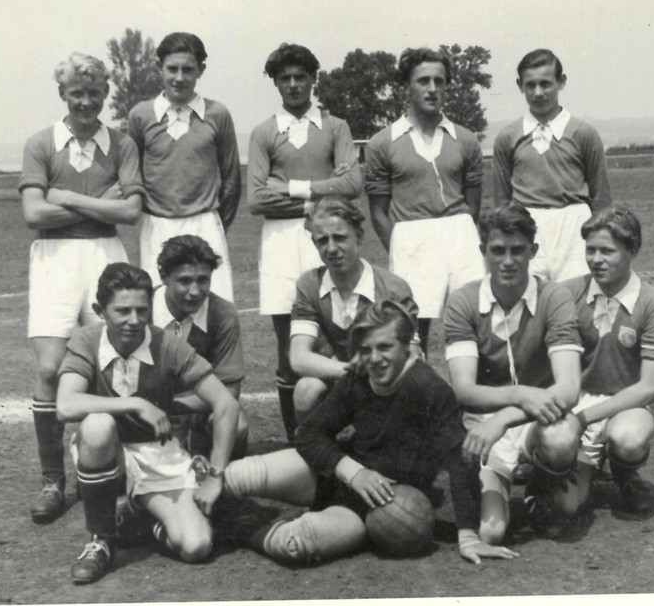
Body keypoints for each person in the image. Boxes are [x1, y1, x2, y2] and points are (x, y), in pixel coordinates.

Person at [221, 300, 518, 565]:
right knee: (237, 475)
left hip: (376, 506)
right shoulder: (359, 376)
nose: (374, 358)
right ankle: (198, 509)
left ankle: (239, 525)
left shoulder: (429, 390)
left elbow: (459, 459)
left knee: (293, 544)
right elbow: (309, 433)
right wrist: (353, 472)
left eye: (385, 347)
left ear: (406, 347)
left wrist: (467, 535)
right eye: (366, 349)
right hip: (337, 476)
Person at [19, 52, 145, 525]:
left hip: (105, 254)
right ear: (63, 95)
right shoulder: (40, 143)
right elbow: (34, 214)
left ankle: (113, 470)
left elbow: (130, 212)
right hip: (53, 257)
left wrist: (68, 197)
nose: (87, 102)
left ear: (105, 95)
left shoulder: (122, 144)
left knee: (115, 361)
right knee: (51, 366)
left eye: (95, 94)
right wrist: (99, 202)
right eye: (78, 94)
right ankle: (53, 479)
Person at [56, 263, 239, 584]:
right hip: (109, 451)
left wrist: (216, 476)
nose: (134, 320)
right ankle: (101, 538)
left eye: (142, 310)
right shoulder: (87, 339)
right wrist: (137, 404)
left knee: (196, 546)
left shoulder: (166, 344)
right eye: (122, 310)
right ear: (100, 310)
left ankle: (141, 521)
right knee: (98, 425)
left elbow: (225, 403)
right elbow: (66, 404)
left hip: (158, 454)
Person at [442, 203, 585, 544]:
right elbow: (463, 390)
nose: (508, 261)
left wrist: (505, 416)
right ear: (483, 252)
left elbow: (567, 390)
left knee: (563, 438)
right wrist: (519, 395)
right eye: (498, 251)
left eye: (518, 250)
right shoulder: (463, 301)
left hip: (538, 417)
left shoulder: (555, 297)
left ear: (533, 251)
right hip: (484, 423)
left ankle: (540, 489)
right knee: (491, 533)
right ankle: (497, 484)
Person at [247, 43, 361, 443]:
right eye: (285, 78)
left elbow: (352, 185)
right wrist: (324, 193)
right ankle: (300, 442)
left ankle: (346, 432)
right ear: (276, 83)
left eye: (301, 77)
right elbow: (257, 197)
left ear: (314, 79)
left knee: (339, 334)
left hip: (325, 235)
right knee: (288, 347)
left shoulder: (336, 127)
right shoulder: (264, 132)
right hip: (279, 241)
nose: (293, 85)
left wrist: (292, 188)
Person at [552, 206, 654, 516]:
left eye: (607, 251)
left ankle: (625, 473)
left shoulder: (653, 302)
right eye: (590, 250)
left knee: (628, 438)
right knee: (565, 507)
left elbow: (649, 388)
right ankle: (580, 469)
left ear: (632, 250)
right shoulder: (568, 293)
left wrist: (583, 419)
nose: (596, 259)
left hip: (629, 404)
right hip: (577, 401)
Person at [364, 47, 485, 353]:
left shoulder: (466, 139)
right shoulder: (382, 143)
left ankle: (478, 399)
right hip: (411, 236)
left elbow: (474, 205)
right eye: (423, 81)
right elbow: (378, 210)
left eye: (439, 81)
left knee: (476, 322)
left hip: (460, 235)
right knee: (413, 334)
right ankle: (418, 399)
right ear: (406, 86)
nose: (432, 89)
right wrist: (400, 245)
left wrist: (462, 233)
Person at [126, 32, 241, 301]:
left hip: (205, 223)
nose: (180, 77)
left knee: (213, 308)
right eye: (172, 69)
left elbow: (232, 179)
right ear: (159, 68)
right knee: (158, 310)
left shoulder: (218, 114)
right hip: (156, 225)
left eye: (188, 69)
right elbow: (132, 175)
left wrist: (215, 224)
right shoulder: (140, 115)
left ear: (200, 70)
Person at [289, 196, 420, 426]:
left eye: (340, 238)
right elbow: (299, 358)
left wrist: (370, 372)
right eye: (322, 240)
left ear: (359, 236)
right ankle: (316, 452)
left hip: (385, 383)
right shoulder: (309, 284)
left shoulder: (392, 288)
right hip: (342, 381)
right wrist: (351, 371)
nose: (331, 248)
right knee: (306, 389)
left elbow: (413, 355)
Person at [493, 49, 612, 282]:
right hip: (526, 226)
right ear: (520, 85)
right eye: (531, 85)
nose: (538, 92)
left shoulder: (583, 133)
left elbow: (601, 198)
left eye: (546, 84)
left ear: (561, 82)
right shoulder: (507, 137)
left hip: (574, 228)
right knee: (530, 305)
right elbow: (501, 200)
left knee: (576, 302)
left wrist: (600, 240)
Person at [153, 235, 250, 457]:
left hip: (197, 405)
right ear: (164, 276)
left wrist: (170, 407)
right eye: (185, 281)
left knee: (236, 424)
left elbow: (229, 392)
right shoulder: (140, 310)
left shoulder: (222, 314)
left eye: (203, 280)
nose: (195, 291)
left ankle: (219, 479)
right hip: (147, 409)